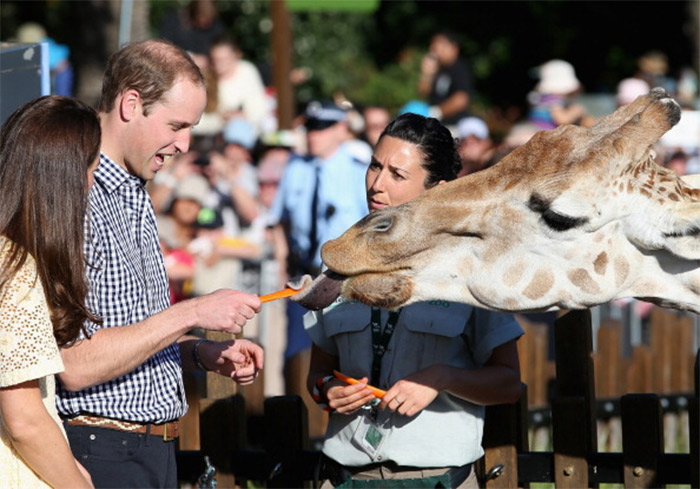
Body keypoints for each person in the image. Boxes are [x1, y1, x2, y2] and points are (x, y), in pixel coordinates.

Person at [55, 39, 264, 489]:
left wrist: (198, 351)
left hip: (151, 449)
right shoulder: (73, 192)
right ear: (131, 103)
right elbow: (74, 364)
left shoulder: (134, 188)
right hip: (98, 450)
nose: (185, 144)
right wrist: (193, 311)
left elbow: (133, 332)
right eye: (177, 124)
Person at [305, 113, 524, 488]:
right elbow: (317, 374)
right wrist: (328, 390)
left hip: (437, 479)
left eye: (397, 174)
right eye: (375, 166)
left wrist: (442, 378)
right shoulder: (339, 262)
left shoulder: (470, 268)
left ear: (436, 189)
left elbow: (509, 385)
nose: (376, 184)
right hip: (342, 477)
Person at [0, 95, 100, 488]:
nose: (93, 181)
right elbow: (23, 419)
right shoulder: (14, 267)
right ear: (67, 175)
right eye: (92, 167)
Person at [268, 99, 368, 436]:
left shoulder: (358, 171)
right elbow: (280, 220)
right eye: (310, 128)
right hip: (304, 278)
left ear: (342, 129)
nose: (314, 135)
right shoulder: (295, 168)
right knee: (297, 354)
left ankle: (339, 431)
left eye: (323, 128)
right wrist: (283, 260)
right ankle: (299, 435)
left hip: (344, 280)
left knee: (345, 355)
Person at [418, 31, 474, 127]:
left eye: (438, 45)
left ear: (453, 48)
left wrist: (436, 112)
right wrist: (426, 74)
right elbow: (423, 94)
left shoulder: (459, 69)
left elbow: (461, 99)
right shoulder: (438, 69)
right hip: (436, 124)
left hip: (453, 125)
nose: (433, 49)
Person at [527, 59, 594, 130]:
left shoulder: (540, 98)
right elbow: (561, 120)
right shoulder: (554, 100)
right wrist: (575, 111)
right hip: (546, 133)